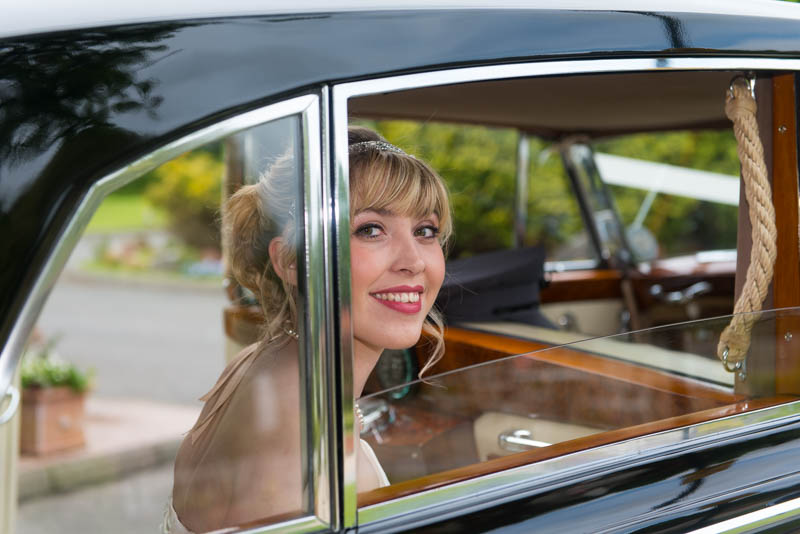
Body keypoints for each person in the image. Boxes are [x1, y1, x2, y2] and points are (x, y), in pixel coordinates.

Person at [164, 126, 452, 533]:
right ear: (292, 262)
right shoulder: (314, 453)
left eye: (425, 231)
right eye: (371, 229)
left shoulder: (264, 362)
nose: (414, 261)